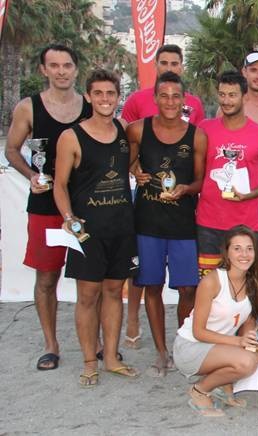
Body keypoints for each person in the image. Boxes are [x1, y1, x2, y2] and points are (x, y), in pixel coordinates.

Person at [4, 44, 91, 371]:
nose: (61, 71)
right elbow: (12, 150)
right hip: (44, 204)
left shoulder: (89, 106)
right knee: (46, 277)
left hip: (84, 204)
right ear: (43, 70)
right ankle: (51, 345)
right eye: (54, 65)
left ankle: (92, 342)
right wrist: (30, 175)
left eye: (67, 65)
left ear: (75, 69)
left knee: (90, 276)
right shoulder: (29, 108)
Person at [52, 69, 140, 386]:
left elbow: (131, 166)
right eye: (99, 93)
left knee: (115, 292)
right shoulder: (71, 137)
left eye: (111, 94)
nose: (105, 99)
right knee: (88, 296)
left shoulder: (123, 130)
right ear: (88, 96)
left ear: (118, 98)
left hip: (121, 227)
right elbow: (59, 185)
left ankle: (112, 357)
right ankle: (90, 360)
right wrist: (68, 217)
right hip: (87, 230)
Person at [120, 44, 206, 347]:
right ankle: (160, 350)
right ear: (155, 98)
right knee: (152, 287)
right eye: (164, 96)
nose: (170, 101)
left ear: (185, 100)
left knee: (187, 290)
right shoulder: (137, 130)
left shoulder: (197, 134)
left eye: (176, 96)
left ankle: (182, 346)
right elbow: (125, 161)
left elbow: (200, 180)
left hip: (183, 223)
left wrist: (186, 189)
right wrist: (135, 170)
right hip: (147, 222)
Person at [172, 226, 258, 417]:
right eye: (237, 248)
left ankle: (224, 388)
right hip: (191, 346)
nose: (244, 254)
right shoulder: (212, 281)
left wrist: (249, 338)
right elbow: (198, 332)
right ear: (226, 252)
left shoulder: (254, 280)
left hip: (218, 344)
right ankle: (199, 391)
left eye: (249, 249)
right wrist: (239, 343)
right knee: (247, 362)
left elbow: (249, 319)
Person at [196, 71, 258, 275]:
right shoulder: (204, 129)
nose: (226, 100)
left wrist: (251, 194)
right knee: (209, 287)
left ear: (245, 97)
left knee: (248, 289)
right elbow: (194, 171)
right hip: (209, 223)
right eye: (222, 94)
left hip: (246, 225)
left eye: (232, 95)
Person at [120, 44, 205, 125]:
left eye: (174, 64)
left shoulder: (194, 104)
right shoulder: (136, 100)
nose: (169, 69)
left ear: (181, 68)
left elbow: (199, 137)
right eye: (164, 63)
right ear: (156, 65)